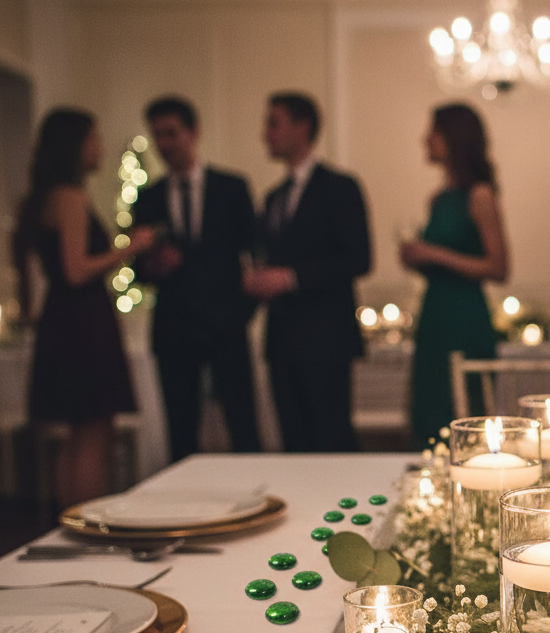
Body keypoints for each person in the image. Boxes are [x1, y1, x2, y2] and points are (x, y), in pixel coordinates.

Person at [12, 109, 156, 507]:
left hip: (62, 318)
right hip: (83, 320)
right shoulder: (70, 196)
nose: (100, 148)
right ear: (75, 146)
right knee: (94, 431)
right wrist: (130, 248)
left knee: (77, 435)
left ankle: (68, 523)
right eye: (94, 139)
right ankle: (89, 524)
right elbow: (76, 270)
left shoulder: (40, 198)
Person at [133, 96, 260, 462]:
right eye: (157, 135)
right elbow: (138, 268)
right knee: (181, 431)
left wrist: (242, 312)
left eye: (171, 133)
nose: (164, 144)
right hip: (174, 328)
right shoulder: (148, 197)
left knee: (243, 426)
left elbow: (253, 254)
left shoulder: (232, 188)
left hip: (226, 326)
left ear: (194, 133)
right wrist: (155, 266)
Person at [245, 92, 372, 452]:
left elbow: (359, 259)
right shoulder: (274, 197)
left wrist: (290, 278)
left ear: (302, 128)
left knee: (332, 440)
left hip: (326, 338)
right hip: (282, 338)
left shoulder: (340, 188)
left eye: (273, 123)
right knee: (293, 442)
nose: (265, 133)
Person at [399, 104, 508, 448]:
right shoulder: (439, 199)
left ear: (453, 137)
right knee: (430, 402)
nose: (425, 140)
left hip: (465, 315)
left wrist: (433, 253)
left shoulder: (480, 195)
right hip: (436, 312)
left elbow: (499, 267)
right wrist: (418, 259)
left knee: (463, 407)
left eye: (432, 132)